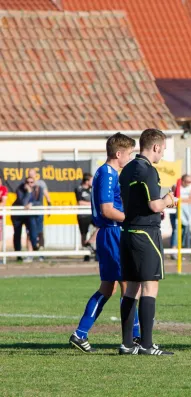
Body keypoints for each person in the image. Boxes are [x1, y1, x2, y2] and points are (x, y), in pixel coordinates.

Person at [69, 133, 139, 353]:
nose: (129, 158)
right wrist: (133, 218)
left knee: (108, 287)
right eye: (128, 154)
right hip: (113, 234)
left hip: (109, 234)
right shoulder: (108, 174)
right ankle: (134, 338)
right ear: (118, 154)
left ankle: (81, 333)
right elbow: (107, 210)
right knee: (128, 286)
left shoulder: (105, 173)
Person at [118, 128, 178, 356]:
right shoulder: (148, 170)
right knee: (150, 286)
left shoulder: (127, 169)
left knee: (131, 287)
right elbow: (154, 205)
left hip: (128, 232)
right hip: (146, 234)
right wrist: (169, 200)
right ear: (155, 147)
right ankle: (146, 344)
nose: (162, 154)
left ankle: (126, 343)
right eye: (162, 149)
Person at [11, 176, 39, 262]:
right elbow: (23, 202)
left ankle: (34, 247)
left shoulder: (37, 189)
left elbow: (39, 202)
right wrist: (28, 192)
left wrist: (32, 204)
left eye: (32, 182)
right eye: (28, 182)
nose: (30, 184)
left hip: (27, 215)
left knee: (32, 231)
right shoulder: (19, 189)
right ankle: (18, 254)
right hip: (17, 216)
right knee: (17, 234)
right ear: (25, 183)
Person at [170, 174, 191, 257]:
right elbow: (174, 198)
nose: (189, 183)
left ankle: (181, 249)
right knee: (176, 230)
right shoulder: (176, 186)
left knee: (185, 230)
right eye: (188, 181)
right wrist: (183, 200)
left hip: (185, 211)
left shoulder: (190, 186)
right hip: (176, 211)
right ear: (183, 181)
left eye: (190, 181)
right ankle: (173, 250)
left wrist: (181, 200)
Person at [28, 169, 51, 255]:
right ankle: (30, 254)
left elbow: (46, 195)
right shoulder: (27, 184)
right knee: (30, 232)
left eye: (32, 174)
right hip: (29, 212)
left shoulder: (40, 184)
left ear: (35, 174)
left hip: (39, 210)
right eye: (29, 174)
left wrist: (49, 207)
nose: (31, 176)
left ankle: (41, 253)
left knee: (40, 231)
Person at [75, 173, 94, 262]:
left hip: (92, 214)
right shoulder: (79, 189)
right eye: (91, 180)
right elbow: (80, 202)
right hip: (83, 215)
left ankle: (89, 242)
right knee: (83, 234)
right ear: (86, 181)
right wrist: (92, 204)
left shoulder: (92, 189)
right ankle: (86, 254)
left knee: (101, 226)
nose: (92, 182)